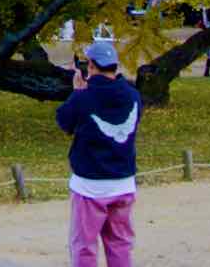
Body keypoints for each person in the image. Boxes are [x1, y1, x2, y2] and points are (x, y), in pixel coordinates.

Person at [57, 36, 142, 267]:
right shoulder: (133, 96)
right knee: (120, 243)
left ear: (91, 66)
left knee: (84, 246)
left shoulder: (84, 98)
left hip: (90, 185)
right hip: (123, 181)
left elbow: (64, 121)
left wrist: (77, 92)